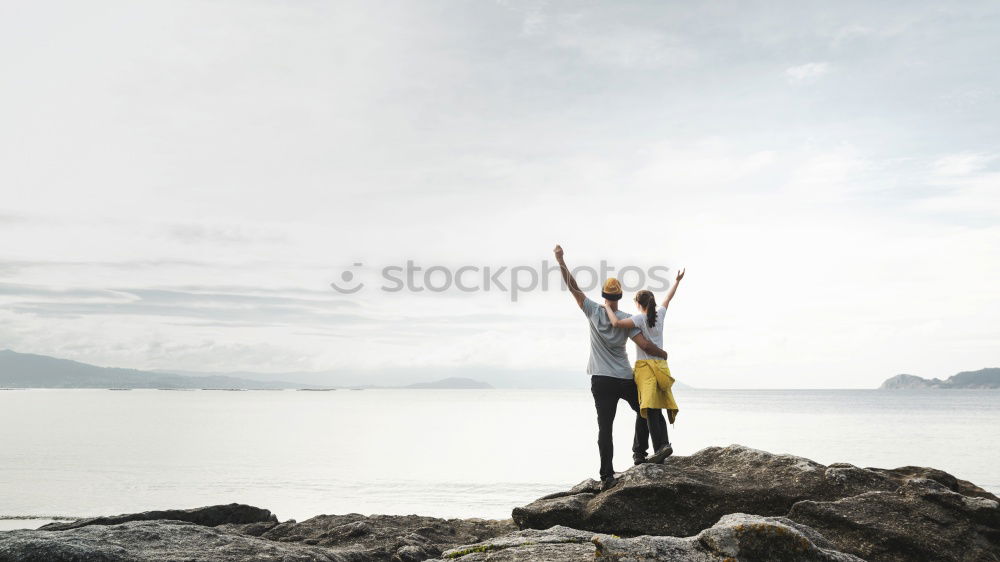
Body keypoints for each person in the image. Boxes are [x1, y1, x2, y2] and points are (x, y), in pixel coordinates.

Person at [553, 245, 670, 490]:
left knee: (605, 428)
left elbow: (572, 286)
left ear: (605, 295)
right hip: (625, 378)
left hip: (601, 380)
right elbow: (645, 345)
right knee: (644, 410)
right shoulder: (627, 319)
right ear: (619, 298)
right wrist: (662, 353)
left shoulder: (593, 310)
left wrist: (560, 260)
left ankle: (607, 476)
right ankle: (640, 454)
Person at [602, 268, 685, 465]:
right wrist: (677, 282)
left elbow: (616, 323)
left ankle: (659, 448)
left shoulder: (638, 318)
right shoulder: (660, 314)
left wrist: (607, 306)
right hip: (661, 367)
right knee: (650, 407)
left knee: (649, 408)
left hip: (646, 369)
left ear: (639, 304)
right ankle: (644, 451)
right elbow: (668, 299)